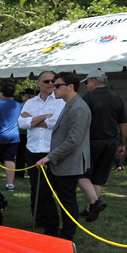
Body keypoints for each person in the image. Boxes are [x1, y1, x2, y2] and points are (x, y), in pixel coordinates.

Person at [37, 73, 90, 241]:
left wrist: (50, 157)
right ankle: (52, 230)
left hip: (68, 164)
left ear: (70, 87)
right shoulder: (69, 104)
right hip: (60, 163)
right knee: (45, 194)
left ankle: (67, 237)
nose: (53, 88)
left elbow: (73, 141)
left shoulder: (79, 108)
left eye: (57, 85)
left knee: (67, 202)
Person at [78, 68, 127, 221]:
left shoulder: (87, 98)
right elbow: (123, 124)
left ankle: (94, 202)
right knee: (100, 176)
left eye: (87, 82)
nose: (86, 85)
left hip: (91, 141)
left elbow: (79, 122)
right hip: (111, 141)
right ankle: (91, 208)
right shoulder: (116, 98)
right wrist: (122, 143)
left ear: (93, 81)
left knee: (80, 174)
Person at [18, 71, 63, 234]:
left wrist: (34, 119)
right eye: (47, 81)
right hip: (33, 150)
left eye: (53, 82)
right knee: (35, 187)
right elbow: (22, 123)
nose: (50, 84)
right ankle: (38, 218)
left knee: (45, 189)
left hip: (50, 152)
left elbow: (55, 122)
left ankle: (52, 226)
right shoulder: (30, 102)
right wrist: (43, 117)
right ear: (39, 83)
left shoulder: (59, 101)